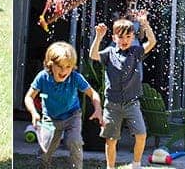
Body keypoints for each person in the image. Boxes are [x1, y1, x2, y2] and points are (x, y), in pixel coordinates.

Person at [89, 15, 157, 169]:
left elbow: (152, 42)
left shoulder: (136, 52)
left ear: (133, 37)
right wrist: (98, 37)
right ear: (114, 37)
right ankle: (110, 167)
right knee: (111, 140)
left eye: (128, 36)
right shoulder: (109, 52)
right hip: (112, 105)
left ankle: (136, 164)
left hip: (132, 103)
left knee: (141, 134)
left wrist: (145, 25)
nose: (124, 40)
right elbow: (93, 55)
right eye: (120, 37)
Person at [24, 41, 103, 169]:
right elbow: (28, 97)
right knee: (46, 150)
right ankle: (43, 166)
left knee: (74, 141)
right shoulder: (43, 77)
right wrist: (34, 113)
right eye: (60, 66)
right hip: (50, 119)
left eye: (68, 67)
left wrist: (98, 109)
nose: (64, 70)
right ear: (50, 65)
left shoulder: (75, 77)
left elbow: (93, 94)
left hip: (72, 116)